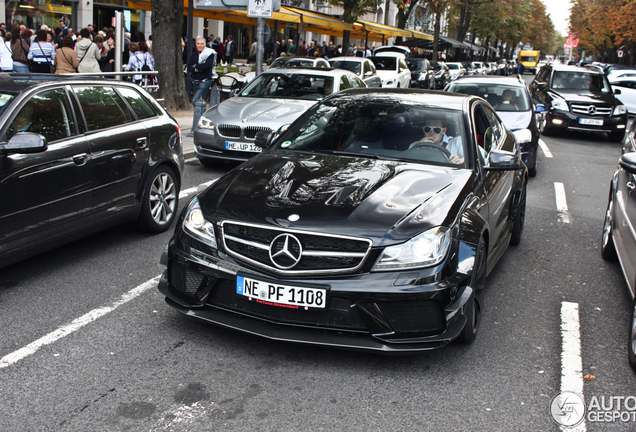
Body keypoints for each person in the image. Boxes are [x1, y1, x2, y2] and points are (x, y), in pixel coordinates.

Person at [187, 36, 216, 105]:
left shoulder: (209, 54)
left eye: (201, 44)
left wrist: (195, 66)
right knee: (199, 102)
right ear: (196, 44)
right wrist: (199, 68)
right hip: (195, 81)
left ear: (205, 45)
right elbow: (189, 68)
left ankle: (200, 115)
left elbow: (206, 66)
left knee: (195, 101)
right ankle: (200, 114)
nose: (200, 45)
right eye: (198, 43)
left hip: (205, 81)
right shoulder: (193, 55)